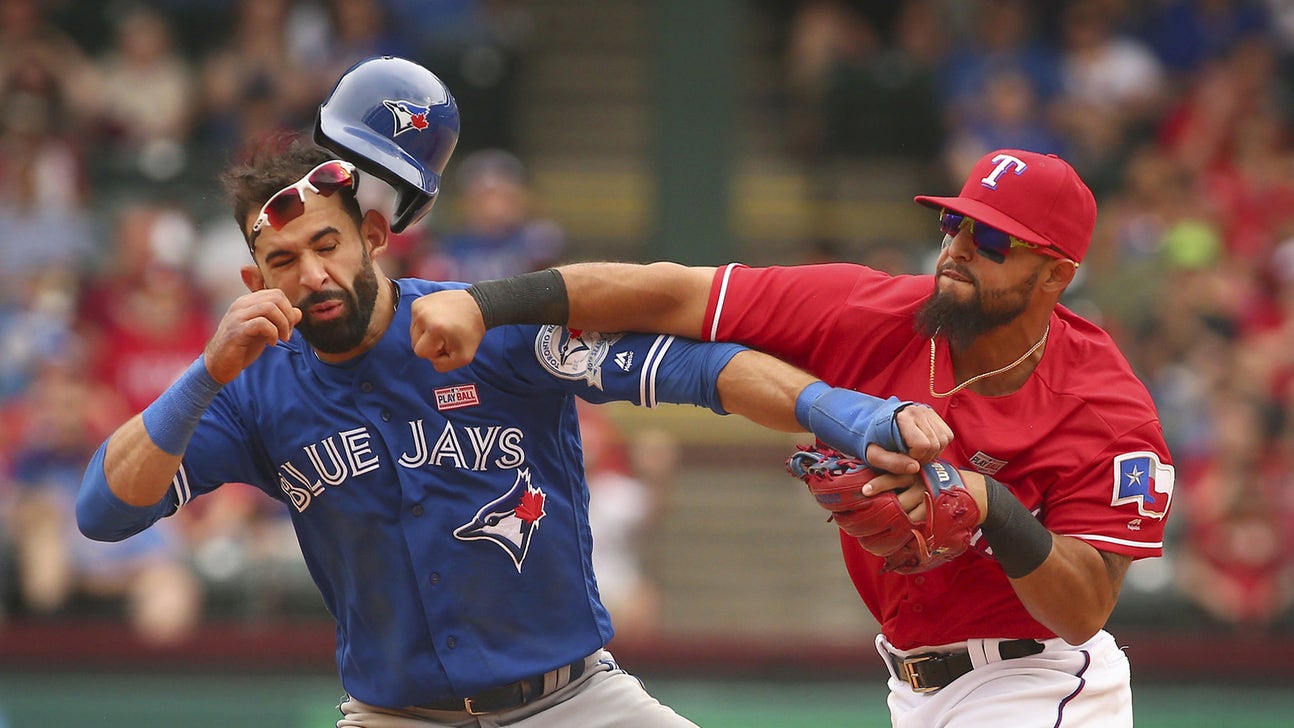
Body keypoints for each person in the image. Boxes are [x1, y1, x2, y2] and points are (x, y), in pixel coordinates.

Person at [76, 56, 954, 727]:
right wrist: (203, 373)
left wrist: (844, 411)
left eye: (328, 245)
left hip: (570, 704)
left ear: (375, 235)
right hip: (394, 716)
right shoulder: (248, 389)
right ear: (252, 275)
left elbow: (698, 367)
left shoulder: (477, 327)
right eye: (282, 260)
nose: (311, 272)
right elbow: (104, 511)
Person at [414, 148, 1175, 727]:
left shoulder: (1105, 409)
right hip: (912, 685)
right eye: (955, 222)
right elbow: (677, 291)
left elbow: (1083, 610)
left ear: (1056, 275)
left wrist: (990, 506)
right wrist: (486, 303)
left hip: (1039, 682)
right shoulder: (873, 310)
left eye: (994, 241)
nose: (959, 248)